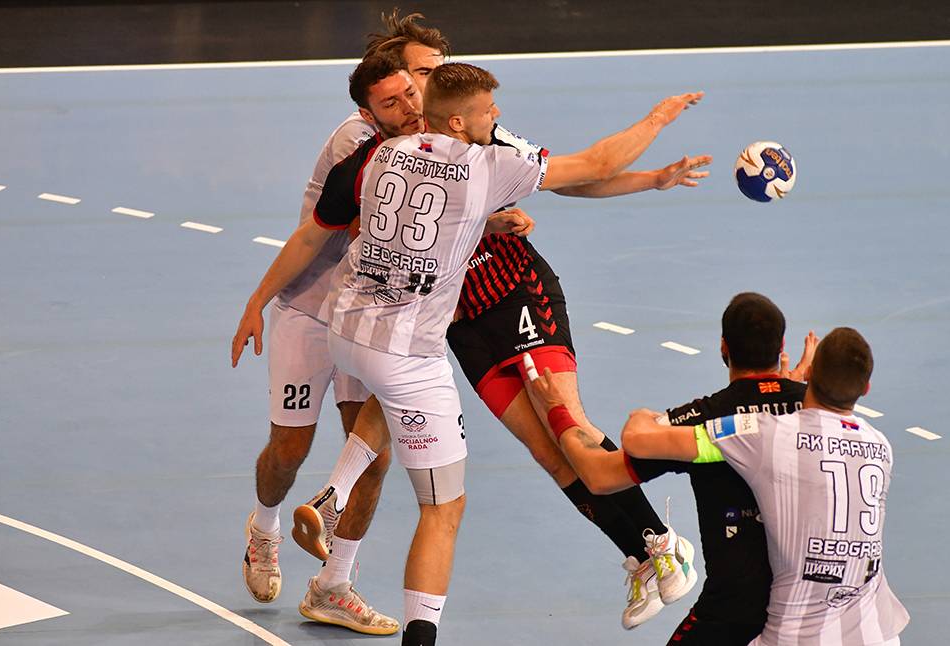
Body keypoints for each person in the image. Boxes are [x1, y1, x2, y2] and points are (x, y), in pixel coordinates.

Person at [290, 61, 704, 646]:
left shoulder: (481, 148)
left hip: (514, 294)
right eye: (404, 86)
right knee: (547, 452)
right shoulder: (397, 153)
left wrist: (652, 175)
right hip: (459, 324)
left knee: (565, 420)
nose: (410, 96)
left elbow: (581, 173)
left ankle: (662, 545)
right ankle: (641, 555)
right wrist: (486, 220)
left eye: (417, 83)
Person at [531, 327, 910, 645]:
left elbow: (630, 449)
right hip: (877, 633)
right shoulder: (880, 447)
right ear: (866, 388)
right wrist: (789, 385)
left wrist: (568, 412)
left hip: (797, 635)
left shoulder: (764, 435)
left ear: (724, 348)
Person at [230, 52, 428, 635]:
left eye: (414, 90)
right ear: (368, 112)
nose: (411, 104)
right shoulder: (356, 146)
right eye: (393, 101)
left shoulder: (430, 139)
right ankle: (264, 527)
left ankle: (333, 586)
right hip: (310, 312)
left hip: (367, 319)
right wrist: (257, 301)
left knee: (375, 458)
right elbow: (320, 233)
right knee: (289, 450)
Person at [529, 292, 818, 643]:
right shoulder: (817, 412)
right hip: (811, 607)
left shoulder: (702, 423)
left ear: (724, 347)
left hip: (733, 611)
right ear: (781, 346)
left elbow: (599, 476)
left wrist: (557, 411)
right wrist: (790, 390)